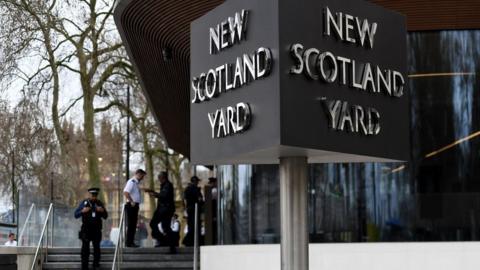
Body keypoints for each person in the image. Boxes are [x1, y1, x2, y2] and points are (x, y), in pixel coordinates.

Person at [74, 188, 108, 270]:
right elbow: (75, 215)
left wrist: (102, 211)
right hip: (86, 229)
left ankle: (96, 265)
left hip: (96, 230)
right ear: (89, 195)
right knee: (85, 248)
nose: (94, 197)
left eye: (95, 195)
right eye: (92, 195)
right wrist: (83, 211)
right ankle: (84, 266)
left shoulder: (99, 203)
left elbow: (106, 216)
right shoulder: (84, 203)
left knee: (96, 248)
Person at [147, 171, 176, 253]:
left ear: (163, 178)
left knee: (163, 226)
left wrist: (154, 194)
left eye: (159, 178)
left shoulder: (167, 185)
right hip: (163, 209)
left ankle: (169, 244)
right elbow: (163, 195)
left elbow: (164, 196)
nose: (159, 180)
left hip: (165, 210)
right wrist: (153, 192)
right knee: (162, 226)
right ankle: (164, 241)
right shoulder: (165, 185)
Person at [123, 169, 146, 247]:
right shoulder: (132, 182)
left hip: (135, 205)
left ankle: (130, 242)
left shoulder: (136, 183)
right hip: (131, 205)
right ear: (139, 174)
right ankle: (129, 242)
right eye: (142, 176)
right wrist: (131, 201)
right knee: (131, 224)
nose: (143, 178)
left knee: (133, 224)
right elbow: (126, 192)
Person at [183, 176, 203, 246]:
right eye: (197, 181)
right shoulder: (195, 189)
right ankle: (188, 241)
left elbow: (185, 200)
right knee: (195, 226)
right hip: (195, 209)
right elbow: (200, 199)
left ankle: (189, 241)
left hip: (189, 209)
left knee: (190, 225)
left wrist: (185, 209)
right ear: (195, 181)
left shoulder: (187, 189)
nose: (198, 183)